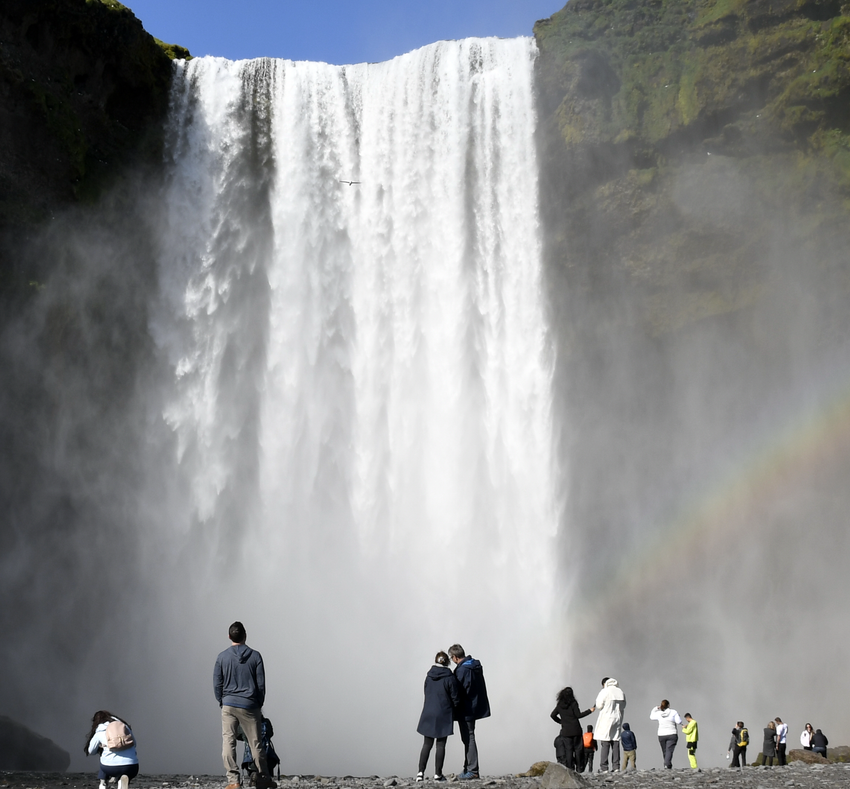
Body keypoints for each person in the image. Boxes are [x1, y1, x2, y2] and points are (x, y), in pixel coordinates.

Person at [214, 621, 276, 789]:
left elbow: (217, 684)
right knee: (255, 742)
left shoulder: (222, 657)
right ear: (245, 635)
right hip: (249, 705)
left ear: (229, 637)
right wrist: (258, 704)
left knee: (228, 741)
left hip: (228, 705)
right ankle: (263, 777)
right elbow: (261, 685)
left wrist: (222, 701)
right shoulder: (255, 656)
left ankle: (233, 781)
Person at [416, 651, 461, 782]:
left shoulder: (428, 676)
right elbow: (455, 697)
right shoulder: (450, 677)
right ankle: (437, 774)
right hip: (443, 713)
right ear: (447, 662)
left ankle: (420, 772)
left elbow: (426, 692)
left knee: (427, 744)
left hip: (428, 712)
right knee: (440, 745)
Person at [448, 644, 490, 780]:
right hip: (475, 706)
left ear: (455, 657)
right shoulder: (475, 666)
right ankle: (468, 768)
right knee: (468, 737)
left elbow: (460, 691)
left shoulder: (462, 670)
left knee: (469, 738)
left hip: (466, 709)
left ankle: (472, 769)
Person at [84, 711, 139, 789]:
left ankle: (103, 784)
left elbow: (91, 751)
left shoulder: (100, 732)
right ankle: (120, 781)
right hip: (132, 767)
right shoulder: (125, 727)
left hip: (110, 768)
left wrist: (101, 747)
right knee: (123, 768)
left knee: (104, 757)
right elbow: (135, 744)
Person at [550, 687, 594, 771]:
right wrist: (590, 710)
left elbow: (552, 715)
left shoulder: (559, 705)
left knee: (568, 750)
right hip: (576, 729)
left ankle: (570, 768)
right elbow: (578, 715)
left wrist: (561, 722)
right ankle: (579, 768)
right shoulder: (573, 703)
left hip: (566, 731)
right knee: (578, 749)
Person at [594, 677, 626, 773]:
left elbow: (599, 705)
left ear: (604, 684)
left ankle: (604, 767)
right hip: (617, 718)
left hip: (606, 719)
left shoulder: (605, 691)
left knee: (605, 742)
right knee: (615, 741)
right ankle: (616, 767)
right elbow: (624, 706)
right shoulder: (620, 692)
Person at [240, 718, 280, 785]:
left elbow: (238, 735)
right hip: (268, 757)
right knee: (267, 765)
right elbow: (271, 733)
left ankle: (254, 776)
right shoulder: (266, 722)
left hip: (250, 760)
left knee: (252, 756)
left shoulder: (243, 722)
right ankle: (267, 778)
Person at [650, 700, 681, 769]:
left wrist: (655, 708)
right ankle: (667, 764)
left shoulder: (659, 713)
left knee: (665, 751)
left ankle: (667, 764)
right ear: (668, 705)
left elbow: (651, 717)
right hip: (672, 733)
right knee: (669, 750)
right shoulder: (673, 712)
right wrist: (678, 716)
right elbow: (679, 722)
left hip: (661, 734)